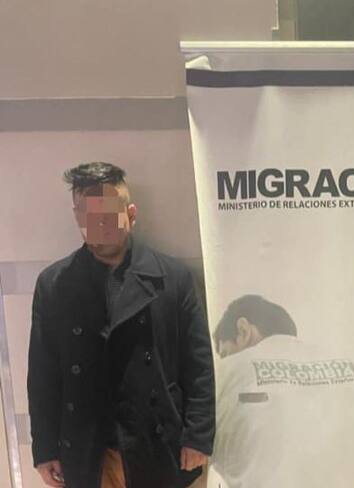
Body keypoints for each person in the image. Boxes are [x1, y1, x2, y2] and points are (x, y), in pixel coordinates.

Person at [27, 162, 215, 488]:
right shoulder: (54, 285)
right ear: (76, 216)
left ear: (131, 213)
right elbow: (43, 375)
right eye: (88, 214)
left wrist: (198, 436)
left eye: (107, 213)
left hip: (155, 443)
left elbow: (198, 365)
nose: (99, 223)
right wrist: (44, 448)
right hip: (90, 449)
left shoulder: (173, 279)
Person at [212, 294, 354, 488]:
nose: (225, 360)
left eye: (226, 352)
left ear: (243, 331)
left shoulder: (227, 374)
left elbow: (194, 461)